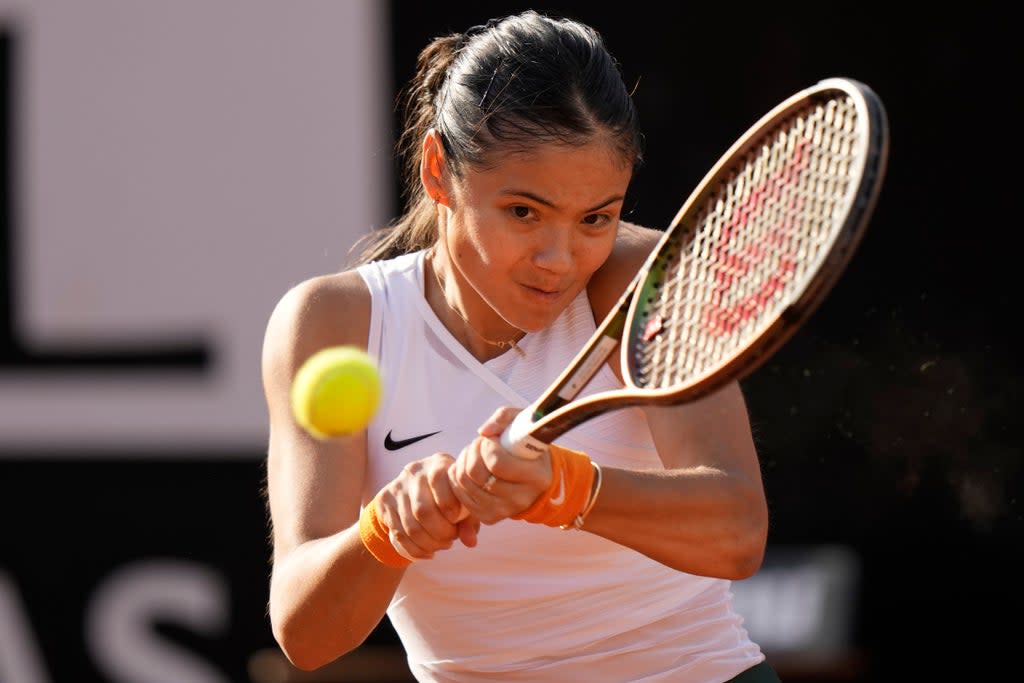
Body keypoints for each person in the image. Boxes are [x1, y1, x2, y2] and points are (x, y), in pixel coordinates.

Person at [261, 10, 779, 683]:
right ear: (439, 170)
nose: (560, 260)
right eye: (523, 212)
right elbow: (306, 633)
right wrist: (385, 533)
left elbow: (738, 530)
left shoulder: (646, 284)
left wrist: (565, 488)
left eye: (597, 218)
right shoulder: (329, 321)